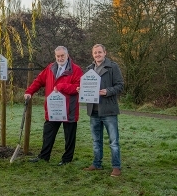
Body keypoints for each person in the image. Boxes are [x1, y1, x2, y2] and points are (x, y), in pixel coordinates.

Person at [24, 46, 83, 165]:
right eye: (58, 56)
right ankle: (43, 157)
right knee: (48, 134)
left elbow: (78, 88)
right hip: (53, 108)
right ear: (55, 56)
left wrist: (61, 86)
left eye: (62, 56)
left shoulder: (76, 70)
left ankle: (67, 160)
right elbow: (39, 81)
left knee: (69, 137)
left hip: (69, 109)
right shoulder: (50, 68)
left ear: (67, 55)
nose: (60, 58)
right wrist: (29, 92)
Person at [80, 44, 124, 177]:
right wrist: (80, 89)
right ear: (92, 54)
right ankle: (96, 164)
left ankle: (116, 167)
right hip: (93, 111)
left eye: (100, 52)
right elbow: (87, 86)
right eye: (95, 53)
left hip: (109, 110)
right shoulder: (89, 69)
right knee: (96, 140)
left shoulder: (113, 67)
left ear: (105, 53)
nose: (97, 54)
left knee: (114, 141)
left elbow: (120, 85)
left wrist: (108, 91)